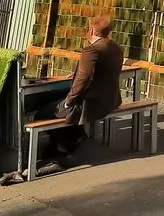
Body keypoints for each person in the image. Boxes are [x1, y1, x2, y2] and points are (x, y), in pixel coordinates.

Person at [50, 15, 124, 164]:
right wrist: (77, 74)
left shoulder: (91, 50)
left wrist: (68, 101)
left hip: (90, 105)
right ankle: (69, 142)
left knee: (46, 112)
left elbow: (83, 80)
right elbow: (100, 72)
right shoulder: (116, 48)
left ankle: (69, 147)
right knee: (57, 107)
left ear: (91, 30)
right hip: (110, 101)